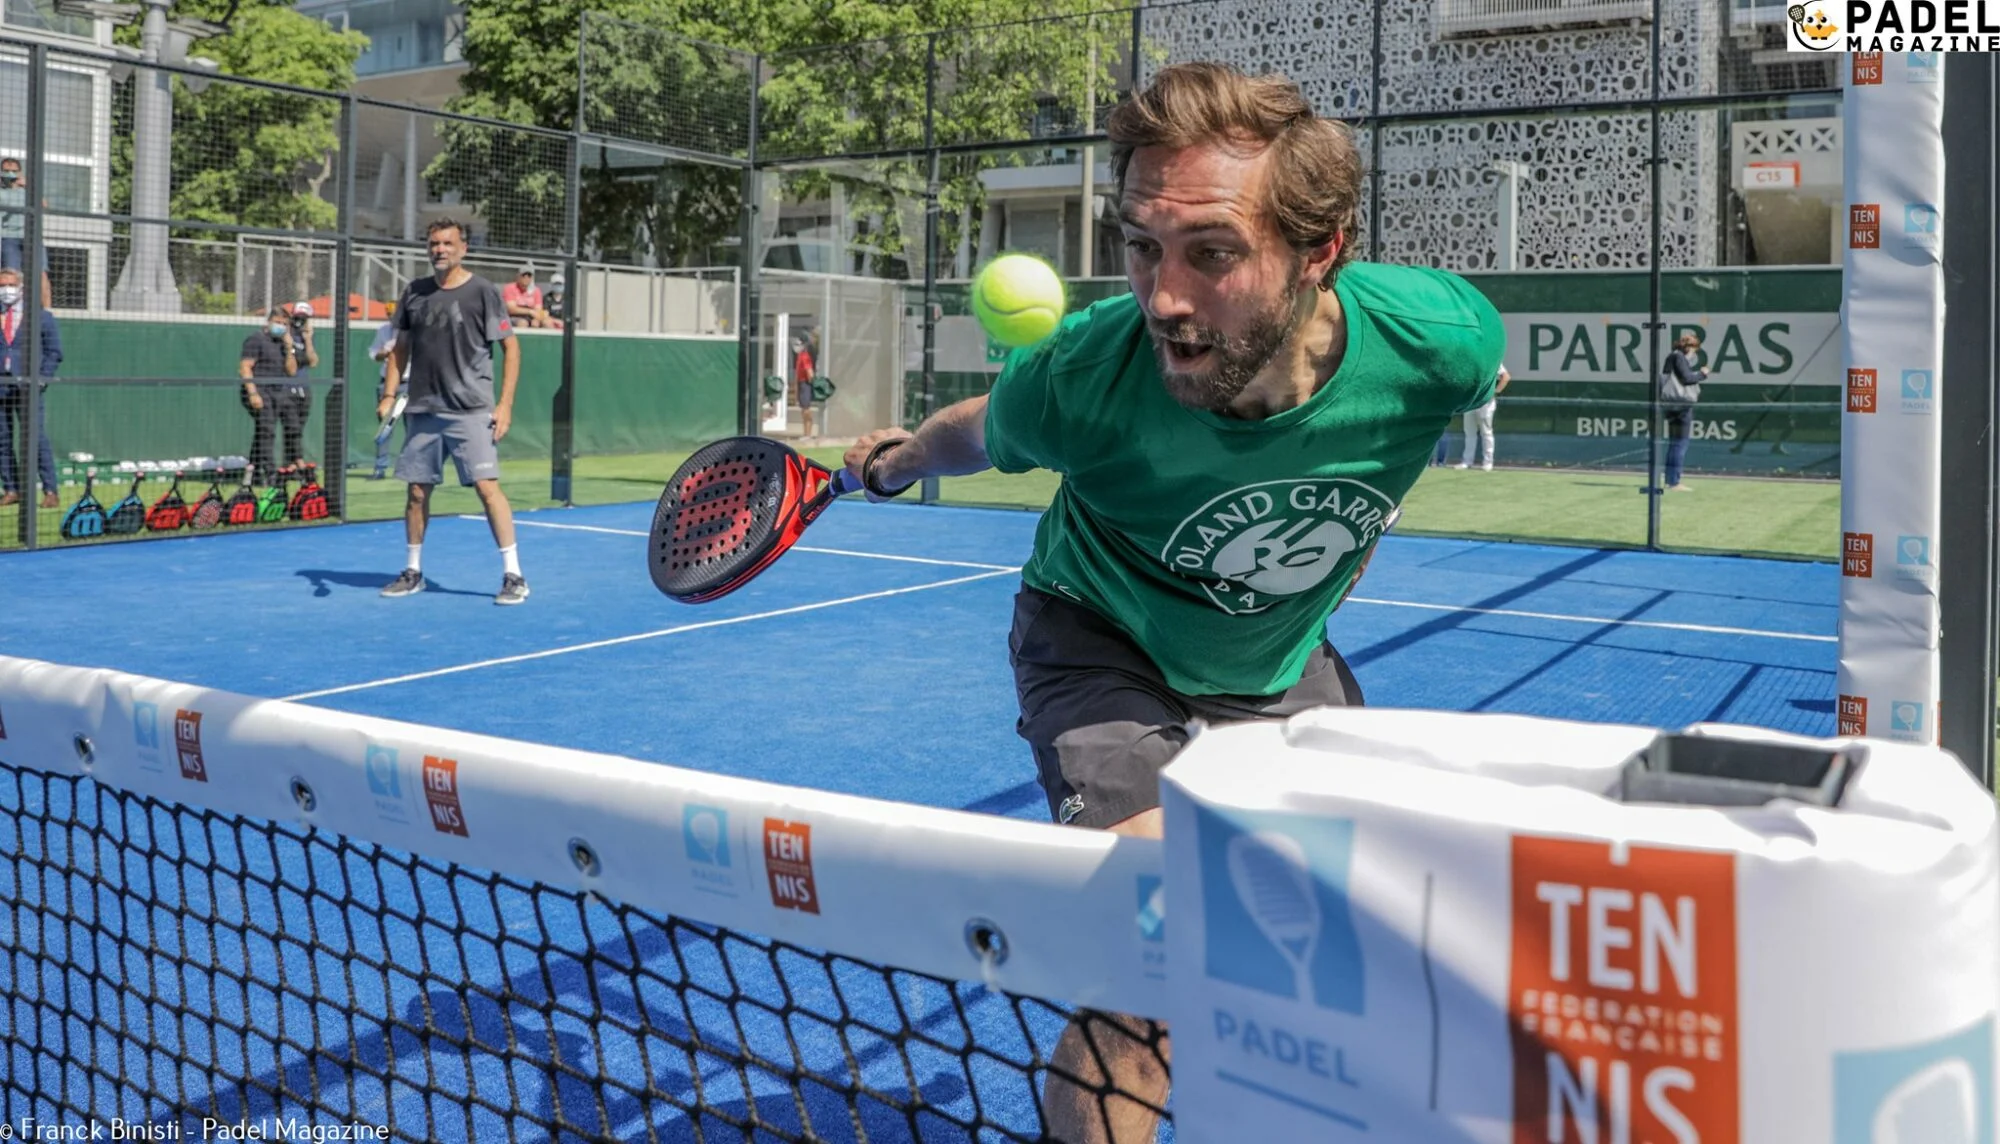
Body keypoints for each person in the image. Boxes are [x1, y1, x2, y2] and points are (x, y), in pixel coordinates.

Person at [840, 62, 1503, 1144]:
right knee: (1157, 948)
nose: (1163, 298)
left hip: (1273, 655)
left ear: (1320, 251)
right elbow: (983, 429)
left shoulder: (1439, 341)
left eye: (1212, 253)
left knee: (1341, 937)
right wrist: (898, 459)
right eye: (1142, 246)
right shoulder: (1087, 373)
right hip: (1096, 631)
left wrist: (1368, 520)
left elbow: (1473, 380)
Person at [377, 217, 528, 606]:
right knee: (416, 492)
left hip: (471, 410)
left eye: (447, 243)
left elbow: (511, 348)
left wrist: (505, 405)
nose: (439, 249)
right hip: (424, 410)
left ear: (463, 248)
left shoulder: (483, 292)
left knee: (487, 488)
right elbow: (400, 348)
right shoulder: (414, 292)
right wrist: (389, 394)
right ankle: (413, 572)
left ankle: (514, 576)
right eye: (434, 244)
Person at [0, 266, 60, 509]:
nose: (6, 290)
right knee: (2, 439)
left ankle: (50, 490)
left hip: (28, 387)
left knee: (35, 438)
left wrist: (42, 378)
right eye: (2, 286)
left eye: (10, 285)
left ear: (21, 288)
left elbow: (54, 352)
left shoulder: (41, 317)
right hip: (2, 386)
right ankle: (11, 489)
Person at [238, 305, 298, 484]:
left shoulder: (284, 344)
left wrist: (289, 348)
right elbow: (245, 367)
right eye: (277, 322)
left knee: (263, 431)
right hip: (258, 390)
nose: (281, 326)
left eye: (284, 324)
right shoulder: (256, 339)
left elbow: (292, 371)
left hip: (277, 391)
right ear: (269, 321)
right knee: (267, 430)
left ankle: (253, 472)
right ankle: (270, 473)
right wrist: (253, 393)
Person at [1661, 332, 1707, 492]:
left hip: (1671, 404)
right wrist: (1702, 374)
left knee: (1675, 443)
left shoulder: (1673, 357)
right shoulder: (1678, 357)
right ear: (1690, 347)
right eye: (1694, 350)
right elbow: (1687, 379)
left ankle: (1670, 480)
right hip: (1680, 406)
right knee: (1680, 443)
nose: (1694, 354)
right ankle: (1674, 481)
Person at [278, 301, 321, 472]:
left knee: (298, 428)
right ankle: (298, 460)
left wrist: (308, 339)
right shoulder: (285, 335)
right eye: (298, 317)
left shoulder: (305, 337)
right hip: (287, 388)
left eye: (304, 318)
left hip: (304, 388)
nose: (300, 321)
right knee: (292, 426)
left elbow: (313, 362)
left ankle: (290, 464)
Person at [367, 317, 404, 479]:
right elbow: (373, 353)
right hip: (386, 383)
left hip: (410, 382)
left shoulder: (411, 328)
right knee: (385, 427)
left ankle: (408, 468)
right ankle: (380, 467)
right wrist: (382, 353)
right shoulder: (383, 330)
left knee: (413, 427)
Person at [1454, 363, 1509, 470]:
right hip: (1470, 402)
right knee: (1469, 432)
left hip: (1485, 404)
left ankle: (1488, 462)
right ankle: (1467, 461)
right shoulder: (1471, 361)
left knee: (1486, 433)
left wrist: (1495, 391)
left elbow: (1505, 377)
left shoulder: (1493, 359)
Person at [502, 264, 562, 330]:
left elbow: (538, 309)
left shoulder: (536, 290)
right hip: (514, 317)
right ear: (518, 276)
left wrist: (537, 319)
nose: (526, 278)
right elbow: (511, 309)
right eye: (523, 275)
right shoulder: (510, 288)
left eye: (529, 275)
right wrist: (530, 311)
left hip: (531, 317)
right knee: (523, 323)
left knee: (546, 323)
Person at [792, 334, 818, 440]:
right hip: (801, 383)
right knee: (803, 410)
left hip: (805, 384)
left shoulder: (805, 357)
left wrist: (811, 383)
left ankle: (808, 434)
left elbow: (809, 372)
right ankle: (805, 433)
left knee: (806, 410)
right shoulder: (799, 356)